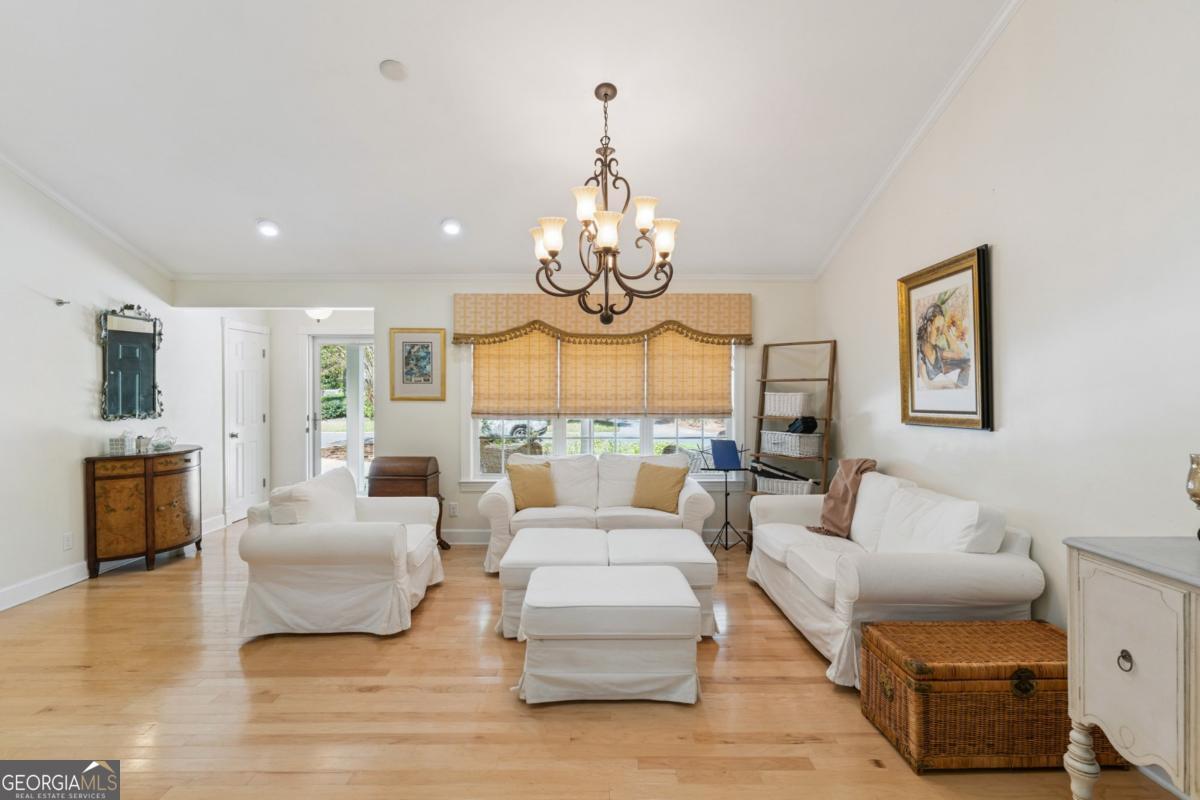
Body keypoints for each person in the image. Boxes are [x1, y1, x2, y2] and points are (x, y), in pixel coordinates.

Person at [915, 302, 970, 389]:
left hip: (942, 394)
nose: (939, 335)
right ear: (929, 325)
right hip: (930, 396)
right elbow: (927, 384)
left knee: (967, 363)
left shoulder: (937, 351)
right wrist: (949, 384)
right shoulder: (920, 351)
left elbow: (960, 355)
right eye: (937, 329)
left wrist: (946, 332)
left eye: (940, 331)